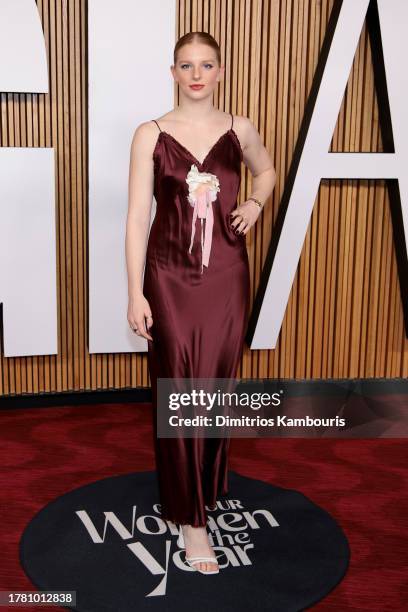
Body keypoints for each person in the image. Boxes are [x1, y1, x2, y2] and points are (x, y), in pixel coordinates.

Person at [125, 31, 276, 574]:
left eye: (206, 64)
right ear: (172, 72)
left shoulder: (240, 129)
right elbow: (138, 219)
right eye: (186, 65)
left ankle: (200, 490)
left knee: (215, 385)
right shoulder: (152, 134)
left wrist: (256, 202)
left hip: (227, 277)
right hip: (168, 279)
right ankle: (192, 521)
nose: (196, 74)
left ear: (219, 71)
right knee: (178, 385)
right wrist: (134, 292)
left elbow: (268, 170)